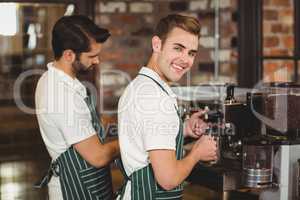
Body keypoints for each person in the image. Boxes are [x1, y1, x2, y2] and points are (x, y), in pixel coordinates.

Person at [117, 14, 218, 199]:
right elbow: (168, 179)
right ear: (157, 44)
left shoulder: (141, 85)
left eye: (191, 53)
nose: (185, 59)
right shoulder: (155, 98)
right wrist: (197, 153)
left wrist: (184, 129)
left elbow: (144, 137)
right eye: (178, 48)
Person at [35, 15, 119, 200]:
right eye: (92, 56)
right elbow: (98, 156)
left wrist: (119, 124)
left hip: (89, 184)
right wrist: (131, 140)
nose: (97, 61)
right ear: (69, 55)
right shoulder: (61, 96)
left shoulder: (53, 79)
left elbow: (86, 124)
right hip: (74, 189)